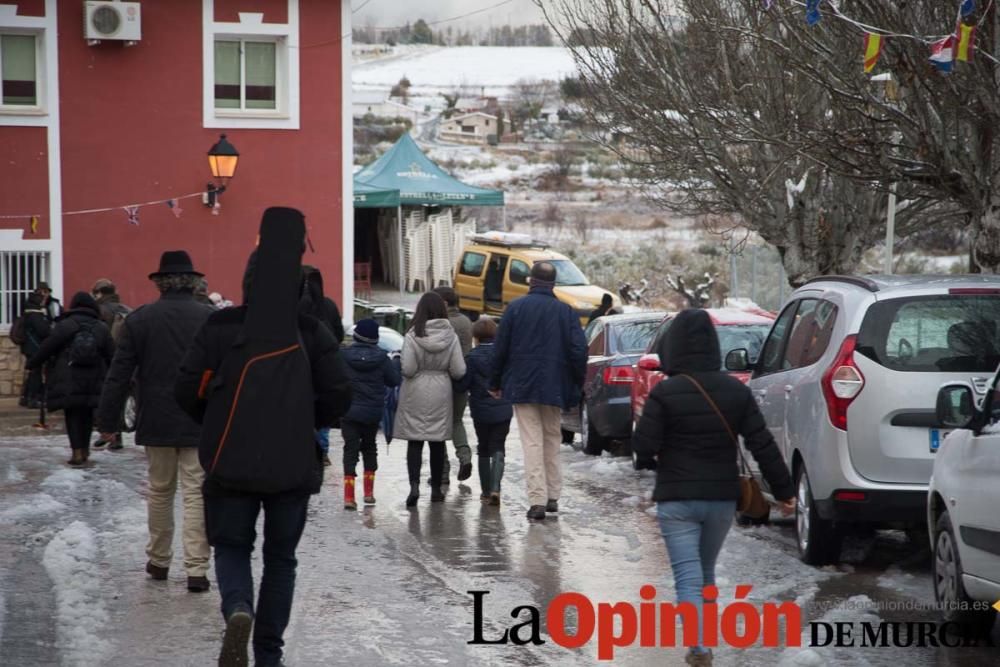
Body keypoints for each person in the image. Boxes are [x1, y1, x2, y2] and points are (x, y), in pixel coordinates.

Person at [175, 208, 350, 667]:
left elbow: (184, 389)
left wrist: (214, 419)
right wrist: (306, 420)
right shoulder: (310, 331)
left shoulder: (220, 327)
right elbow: (339, 395)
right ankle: (269, 650)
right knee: (280, 559)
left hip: (230, 460)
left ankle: (237, 608)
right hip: (292, 467)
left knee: (232, 546)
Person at [632, 308, 795, 667]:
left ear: (673, 347)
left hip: (676, 500)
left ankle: (699, 646)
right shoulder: (734, 392)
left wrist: (652, 459)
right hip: (721, 499)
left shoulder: (665, 393)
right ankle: (702, 642)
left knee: (687, 576)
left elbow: (642, 448)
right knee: (704, 572)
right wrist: (784, 491)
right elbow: (761, 444)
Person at [95, 251, 215, 592]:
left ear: (160, 282)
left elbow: (119, 374)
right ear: (193, 282)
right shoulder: (209, 318)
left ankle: (159, 560)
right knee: (196, 493)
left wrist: (108, 420)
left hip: (157, 418)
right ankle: (196, 568)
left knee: (160, 491)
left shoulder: (140, 320)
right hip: (199, 418)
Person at [490, 261, 587, 521]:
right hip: (555, 385)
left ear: (531, 281)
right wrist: (576, 384)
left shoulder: (515, 309)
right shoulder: (566, 312)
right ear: (553, 284)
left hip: (522, 385)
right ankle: (553, 495)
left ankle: (537, 500)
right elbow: (579, 351)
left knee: (532, 440)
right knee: (552, 438)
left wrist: (495, 382)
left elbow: (500, 349)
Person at [394, 291, 466, 508]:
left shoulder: (412, 335)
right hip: (441, 391)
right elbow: (459, 370)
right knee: (437, 442)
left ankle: (414, 487)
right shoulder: (451, 336)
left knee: (415, 441)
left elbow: (407, 369)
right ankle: (436, 490)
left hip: (415, 391)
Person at [26, 292, 114, 466]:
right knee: (87, 414)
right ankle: (86, 449)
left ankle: (76, 452)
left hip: (68, 377)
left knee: (72, 413)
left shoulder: (65, 325)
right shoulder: (101, 327)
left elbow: (48, 347)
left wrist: (32, 363)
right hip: (93, 378)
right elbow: (111, 354)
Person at [339, 318, 401, 510]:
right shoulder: (382, 358)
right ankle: (369, 494)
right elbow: (394, 381)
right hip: (372, 412)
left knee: (350, 449)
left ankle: (349, 497)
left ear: (356, 336)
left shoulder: (343, 355)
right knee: (369, 448)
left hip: (348, 411)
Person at [458, 317, 512, 505]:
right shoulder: (505, 356)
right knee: (499, 445)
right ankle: (496, 488)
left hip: (480, 409)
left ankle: (486, 492)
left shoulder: (471, 358)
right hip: (503, 407)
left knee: (483, 447)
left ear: (476, 338)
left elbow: (463, 385)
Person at [300, 265, 346, 467]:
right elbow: (339, 333)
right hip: (323, 366)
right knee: (321, 408)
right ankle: (322, 450)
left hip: (298, 364)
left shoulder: (289, 305)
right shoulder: (328, 305)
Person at [433, 285, 473, 484]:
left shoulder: (442, 323)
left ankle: (442, 472)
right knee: (457, 421)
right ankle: (465, 456)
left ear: (445, 303)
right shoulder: (466, 321)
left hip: (440, 380)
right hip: (462, 380)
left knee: (438, 426)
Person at [91, 278, 132, 450]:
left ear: (99, 293)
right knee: (119, 397)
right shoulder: (127, 309)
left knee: (104, 397)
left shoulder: (98, 311)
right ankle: (115, 435)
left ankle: (108, 433)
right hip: (124, 359)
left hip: (103, 360)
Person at [17, 292, 51, 409]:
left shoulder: (27, 313)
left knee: (31, 373)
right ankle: (33, 398)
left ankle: (25, 397)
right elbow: (43, 331)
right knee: (35, 374)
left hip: (29, 347)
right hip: (35, 347)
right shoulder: (36, 315)